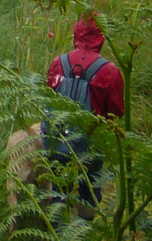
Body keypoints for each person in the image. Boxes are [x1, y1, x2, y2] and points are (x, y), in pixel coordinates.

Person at [41, 15, 123, 210]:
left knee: (59, 189)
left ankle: (58, 230)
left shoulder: (58, 62)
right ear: (102, 37)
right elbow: (117, 111)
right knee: (90, 188)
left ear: (75, 34)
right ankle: (84, 232)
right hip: (91, 142)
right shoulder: (110, 71)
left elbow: (47, 97)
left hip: (57, 139)